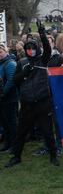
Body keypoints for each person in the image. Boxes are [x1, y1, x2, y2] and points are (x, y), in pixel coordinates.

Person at [5, 23, 59, 168]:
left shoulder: (43, 59)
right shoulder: (22, 62)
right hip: (27, 102)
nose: (30, 51)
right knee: (21, 132)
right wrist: (24, 73)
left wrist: (42, 33)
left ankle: (53, 156)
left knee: (47, 131)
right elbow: (15, 79)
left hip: (42, 101)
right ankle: (16, 156)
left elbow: (47, 48)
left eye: (33, 48)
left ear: (37, 48)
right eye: (28, 48)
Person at [0, 44, 18, 154]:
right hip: (2, 99)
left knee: (12, 123)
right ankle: (7, 143)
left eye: (0, 52)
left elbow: (11, 80)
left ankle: (14, 145)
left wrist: (2, 93)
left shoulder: (10, 63)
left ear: (6, 51)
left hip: (9, 98)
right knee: (4, 122)